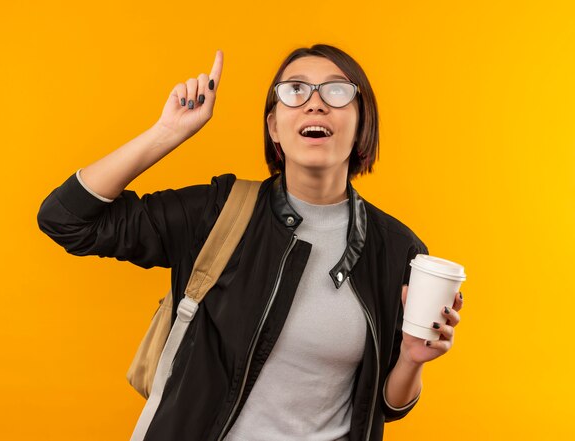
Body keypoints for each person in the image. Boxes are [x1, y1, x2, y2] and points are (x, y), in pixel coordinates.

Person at [37, 44, 463, 441]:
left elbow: (388, 405)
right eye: (295, 91)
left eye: (337, 92)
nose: (315, 102)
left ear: (361, 123)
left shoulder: (397, 249)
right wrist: (166, 132)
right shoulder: (219, 212)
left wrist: (411, 359)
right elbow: (67, 220)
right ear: (273, 127)